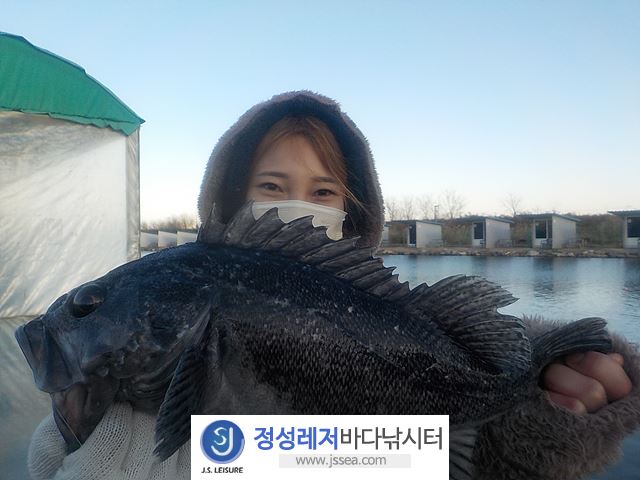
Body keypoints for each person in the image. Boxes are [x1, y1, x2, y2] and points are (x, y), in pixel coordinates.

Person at [29, 91, 639, 480]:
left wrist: (542, 387)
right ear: (230, 200)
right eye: (271, 186)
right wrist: (75, 428)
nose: (297, 205)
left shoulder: (383, 313)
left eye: (324, 192)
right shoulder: (177, 304)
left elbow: (463, 435)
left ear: (351, 211)